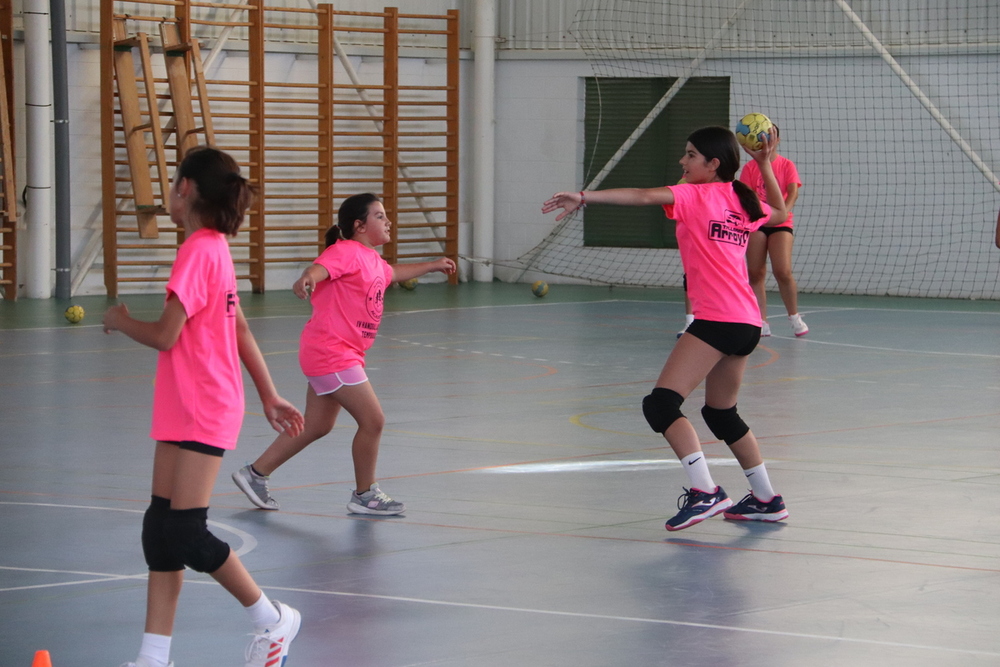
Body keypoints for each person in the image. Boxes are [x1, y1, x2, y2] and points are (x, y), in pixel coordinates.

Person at [103, 147, 306, 667]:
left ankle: (271, 618)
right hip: (184, 403)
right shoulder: (213, 247)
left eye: (173, 184)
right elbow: (235, 325)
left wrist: (121, 320)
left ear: (187, 189)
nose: (170, 193)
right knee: (160, 528)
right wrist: (268, 393)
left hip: (203, 404)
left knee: (186, 531)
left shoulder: (199, 251)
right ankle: (153, 657)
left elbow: (167, 334)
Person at [542, 126, 790, 531]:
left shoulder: (696, 194)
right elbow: (779, 215)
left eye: (691, 155)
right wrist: (763, 164)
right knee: (721, 413)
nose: (683, 161)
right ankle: (766, 498)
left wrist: (584, 196)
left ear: (713, 164)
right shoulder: (742, 199)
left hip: (717, 318)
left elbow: (641, 196)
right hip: (748, 322)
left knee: (660, 405)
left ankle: (705, 492)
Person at [233, 193, 456, 516]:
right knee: (373, 420)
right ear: (359, 225)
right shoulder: (346, 252)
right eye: (380, 216)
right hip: (332, 352)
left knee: (317, 426)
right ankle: (365, 494)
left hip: (336, 353)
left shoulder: (373, 262)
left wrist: (433, 265)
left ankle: (254, 474)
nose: (388, 220)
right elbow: (321, 267)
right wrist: (308, 277)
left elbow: (393, 273)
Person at [738, 124, 808, 337]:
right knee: (755, 272)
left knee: (782, 271)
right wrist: (759, 217)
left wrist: (782, 213)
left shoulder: (786, 165)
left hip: (781, 224)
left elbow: (792, 192)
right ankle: (761, 321)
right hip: (758, 223)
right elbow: (747, 196)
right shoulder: (750, 168)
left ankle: (794, 316)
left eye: (769, 137)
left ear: (776, 140)